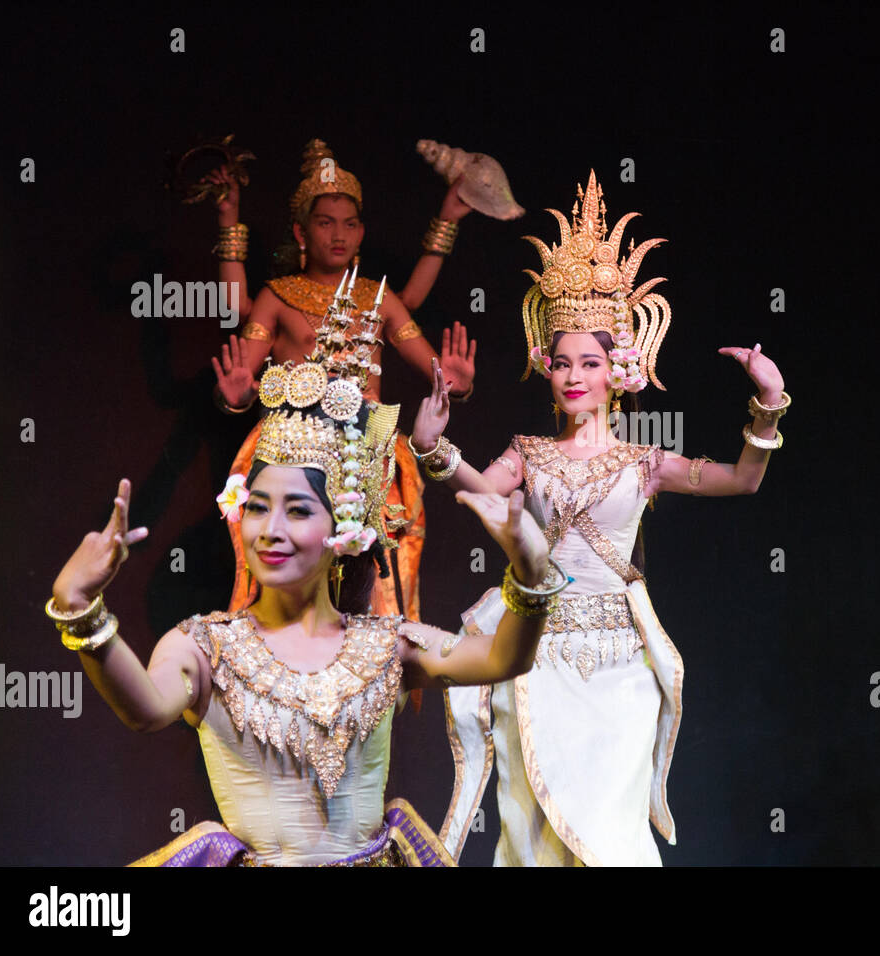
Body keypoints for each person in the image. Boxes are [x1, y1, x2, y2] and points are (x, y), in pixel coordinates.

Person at [45, 293, 567, 867]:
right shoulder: (204, 647)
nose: (270, 530)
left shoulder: (384, 645)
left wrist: (531, 570)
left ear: (344, 529)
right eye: (259, 506)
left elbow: (504, 660)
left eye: (297, 511)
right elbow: (144, 708)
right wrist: (79, 606)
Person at [408, 171, 790, 865]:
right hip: (535, 654)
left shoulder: (646, 461)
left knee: (612, 829)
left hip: (619, 666)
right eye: (562, 363)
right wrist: (434, 447)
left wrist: (768, 405)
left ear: (621, 369)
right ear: (544, 368)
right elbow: (479, 491)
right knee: (530, 821)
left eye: (591, 361)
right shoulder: (527, 454)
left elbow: (743, 480)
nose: (575, 374)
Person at [207, 139, 478, 620]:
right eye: (325, 222)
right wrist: (236, 397)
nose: (339, 234)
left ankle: (373, 675)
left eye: (350, 224)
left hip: (369, 451)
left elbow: (432, 365)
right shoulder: (277, 295)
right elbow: (241, 361)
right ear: (302, 231)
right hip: (293, 449)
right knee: (284, 575)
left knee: (381, 578)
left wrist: (451, 380)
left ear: (361, 232)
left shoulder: (378, 297)